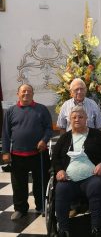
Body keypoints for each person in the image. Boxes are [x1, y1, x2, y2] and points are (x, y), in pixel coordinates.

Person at [52, 106, 101, 237]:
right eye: (74, 117)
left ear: (86, 119)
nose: (77, 119)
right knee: (60, 189)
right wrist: (59, 170)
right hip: (69, 179)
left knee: (97, 185)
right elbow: (55, 158)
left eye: (80, 117)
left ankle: (96, 228)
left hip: (92, 177)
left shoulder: (97, 135)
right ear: (69, 120)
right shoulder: (65, 138)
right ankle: (63, 229)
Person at [1, 84, 52, 220]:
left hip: (39, 154)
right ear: (18, 94)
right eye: (23, 91)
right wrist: (5, 152)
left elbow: (49, 128)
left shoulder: (42, 109)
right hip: (17, 155)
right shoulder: (10, 111)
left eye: (29, 91)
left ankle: (41, 206)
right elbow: (5, 133)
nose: (26, 94)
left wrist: (44, 140)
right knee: (18, 185)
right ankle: (20, 208)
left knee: (41, 183)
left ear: (33, 94)